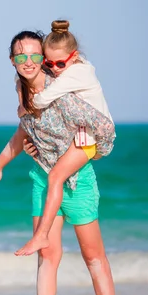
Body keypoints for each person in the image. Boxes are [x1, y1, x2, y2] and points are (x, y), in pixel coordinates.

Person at [0, 28, 116, 295]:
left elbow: (101, 128)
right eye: (20, 56)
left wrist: (94, 152)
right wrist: (10, 156)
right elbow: (27, 127)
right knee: (47, 257)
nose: (28, 61)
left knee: (93, 258)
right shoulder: (20, 85)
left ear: (44, 58)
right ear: (11, 60)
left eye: (35, 54)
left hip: (77, 179)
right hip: (42, 178)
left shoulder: (60, 92)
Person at [14, 20, 114, 257]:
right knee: (56, 175)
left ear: (74, 57)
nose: (55, 69)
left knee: (57, 175)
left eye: (60, 63)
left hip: (93, 139)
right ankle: (41, 236)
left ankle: (41, 235)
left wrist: (22, 108)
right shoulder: (77, 66)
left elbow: (40, 100)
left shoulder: (75, 74)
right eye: (49, 63)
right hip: (84, 137)